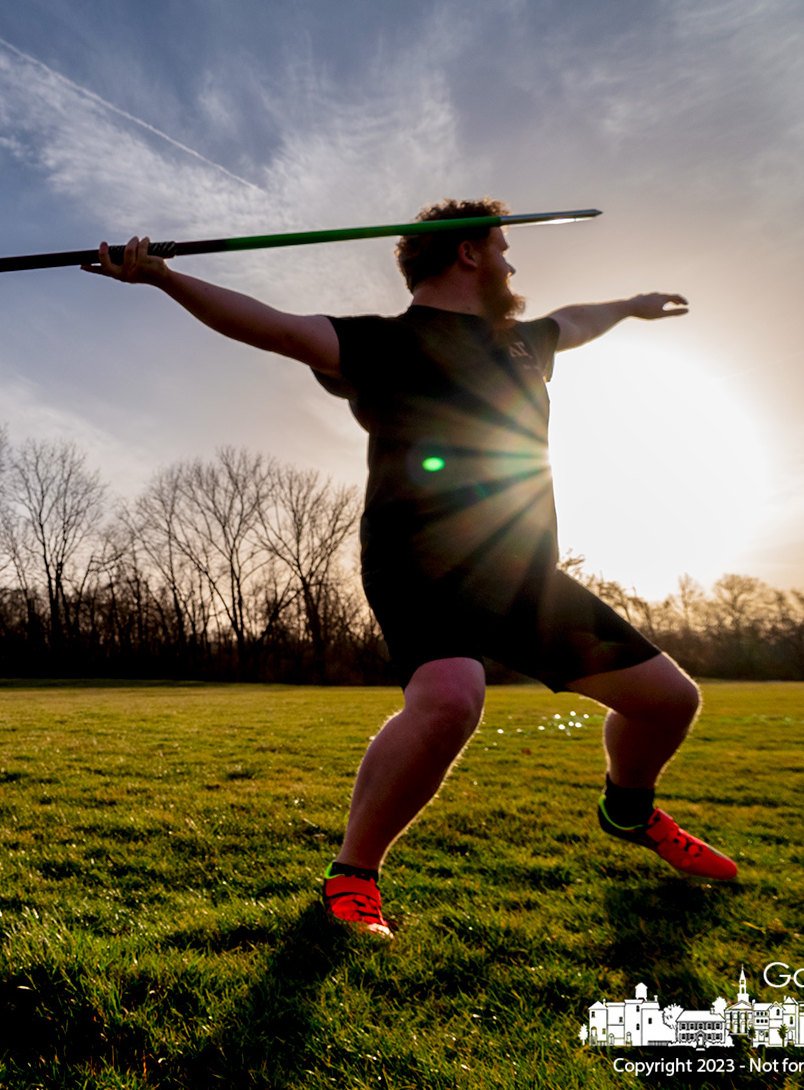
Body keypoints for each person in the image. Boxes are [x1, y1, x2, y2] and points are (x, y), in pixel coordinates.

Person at [84, 197, 736, 940]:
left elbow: (577, 319)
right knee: (452, 697)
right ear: (468, 254)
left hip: (523, 569)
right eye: (502, 249)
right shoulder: (386, 344)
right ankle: (352, 875)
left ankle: (627, 807)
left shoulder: (522, 344)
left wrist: (630, 304)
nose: (512, 264)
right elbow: (272, 326)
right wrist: (162, 278)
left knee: (669, 700)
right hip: (420, 560)